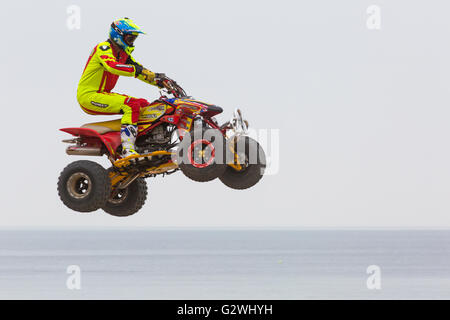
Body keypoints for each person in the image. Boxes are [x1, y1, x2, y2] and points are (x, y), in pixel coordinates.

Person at [77, 17, 166, 158]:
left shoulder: (123, 54)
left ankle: (144, 144)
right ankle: (128, 149)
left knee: (143, 104)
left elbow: (141, 71)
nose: (132, 42)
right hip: (89, 96)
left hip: (104, 94)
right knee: (131, 105)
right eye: (130, 38)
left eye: (134, 39)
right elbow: (112, 66)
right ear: (118, 35)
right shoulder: (103, 48)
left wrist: (161, 80)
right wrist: (136, 70)